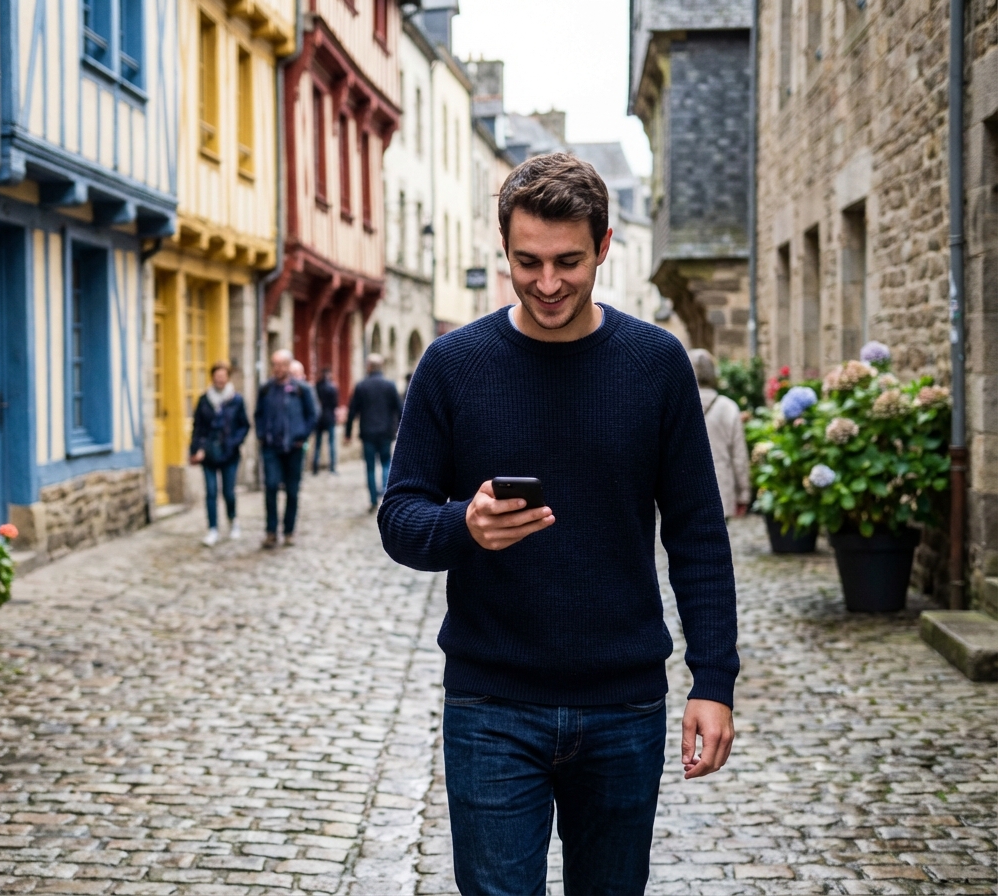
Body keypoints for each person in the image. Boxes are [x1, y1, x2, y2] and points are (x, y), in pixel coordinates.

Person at [377, 153, 738, 895]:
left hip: (625, 704)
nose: (547, 284)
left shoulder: (656, 363)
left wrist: (715, 679)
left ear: (605, 246)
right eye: (527, 262)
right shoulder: (452, 365)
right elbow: (400, 517)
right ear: (503, 249)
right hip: (491, 706)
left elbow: (698, 532)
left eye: (569, 261)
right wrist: (463, 527)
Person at [255, 349, 317, 548]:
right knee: (271, 487)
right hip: (272, 447)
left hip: (294, 447)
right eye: (275, 364)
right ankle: (271, 531)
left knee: (292, 490)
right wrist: (262, 435)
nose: (278, 369)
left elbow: (312, 415)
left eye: (282, 364)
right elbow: (258, 414)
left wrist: (302, 435)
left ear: (289, 366)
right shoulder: (266, 389)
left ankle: (289, 531)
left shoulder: (301, 389)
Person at [189, 362, 250, 547]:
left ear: (228, 378)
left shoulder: (236, 400)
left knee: (228, 492)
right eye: (217, 376)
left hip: (229, 453)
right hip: (209, 453)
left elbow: (244, 425)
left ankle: (233, 521)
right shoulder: (204, 400)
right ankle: (212, 528)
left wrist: (233, 443)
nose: (220, 379)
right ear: (212, 377)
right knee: (211, 492)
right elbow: (198, 427)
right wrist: (196, 448)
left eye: (223, 376)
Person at [689, 348, 751, 519]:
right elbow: (739, 456)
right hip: (720, 488)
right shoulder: (728, 407)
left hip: (685, 490)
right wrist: (743, 494)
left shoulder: (678, 406)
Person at [345, 353, 402, 511]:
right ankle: (384, 494)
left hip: (368, 432)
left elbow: (352, 411)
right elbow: (400, 408)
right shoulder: (389, 385)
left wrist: (348, 433)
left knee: (370, 467)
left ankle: (372, 499)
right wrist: (401, 429)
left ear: (369, 367)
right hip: (385, 431)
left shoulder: (362, 386)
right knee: (385, 463)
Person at [312, 367, 339, 475]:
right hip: (329, 417)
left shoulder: (316, 387)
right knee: (331, 443)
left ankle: (315, 467)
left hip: (319, 418)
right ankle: (332, 467)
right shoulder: (332, 388)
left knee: (317, 444)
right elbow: (334, 404)